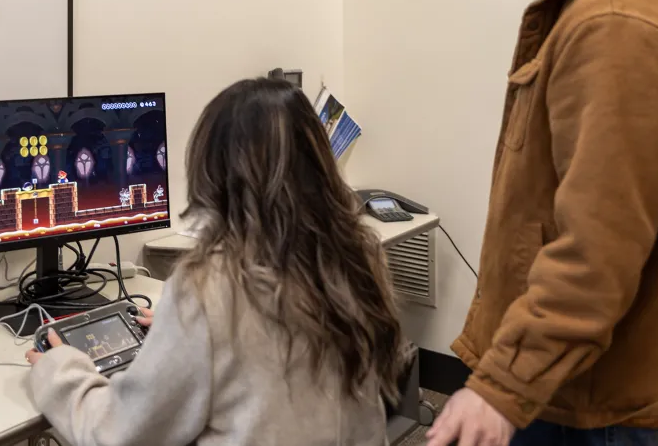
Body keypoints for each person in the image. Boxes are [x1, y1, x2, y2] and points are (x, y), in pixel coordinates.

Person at [426, 0, 658, 446]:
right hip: (564, 379)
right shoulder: (591, 9)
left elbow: (600, 245)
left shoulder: (616, 21)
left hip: (582, 397)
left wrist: (501, 387)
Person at [25, 78, 411, 446]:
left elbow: (119, 433)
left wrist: (59, 369)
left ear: (214, 172)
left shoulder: (210, 286)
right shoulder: (358, 256)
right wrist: (183, 336)